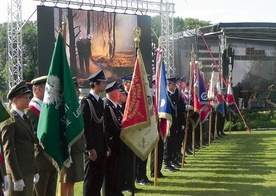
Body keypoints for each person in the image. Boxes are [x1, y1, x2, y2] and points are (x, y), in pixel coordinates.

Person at [1, 81, 38, 195]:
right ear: (15, 100)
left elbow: (30, 146)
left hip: (28, 170)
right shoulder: (10, 121)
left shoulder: (24, 117)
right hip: (18, 171)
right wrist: (17, 177)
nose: (28, 100)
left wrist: (35, 170)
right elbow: (9, 151)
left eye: (28, 97)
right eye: (25, 98)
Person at [25, 75, 58, 196]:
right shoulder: (31, 110)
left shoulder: (47, 108)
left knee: (50, 192)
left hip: (52, 158)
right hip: (40, 160)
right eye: (48, 88)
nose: (51, 92)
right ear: (38, 89)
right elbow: (33, 136)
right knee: (40, 192)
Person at [81, 70, 110, 196]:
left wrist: (106, 145)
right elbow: (86, 127)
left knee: (98, 179)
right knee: (90, 180)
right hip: (92, 147)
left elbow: (102, 126)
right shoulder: (86, 102)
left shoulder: (100, 102)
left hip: (101, 146)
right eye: (103, 83)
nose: (105, 85)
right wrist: (90, 147)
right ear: (95, 84)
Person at [60, 77, 85, 196]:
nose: (78, 91)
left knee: (73, 180)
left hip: (77, 147)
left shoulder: (77, 105)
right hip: (68, 148)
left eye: (78, 89)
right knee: (66, 181)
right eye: (75, 89)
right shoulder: (64, 107)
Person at [104, 81, 124, 196]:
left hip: (118, 143)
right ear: (113, 94)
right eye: (118, 92)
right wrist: (107, 144)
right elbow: (106, 127)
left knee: (117, 170)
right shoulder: (107, 106)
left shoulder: (116, 106)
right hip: (112, 143)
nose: (120, 95)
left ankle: (116, 191)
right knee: (109, 172)